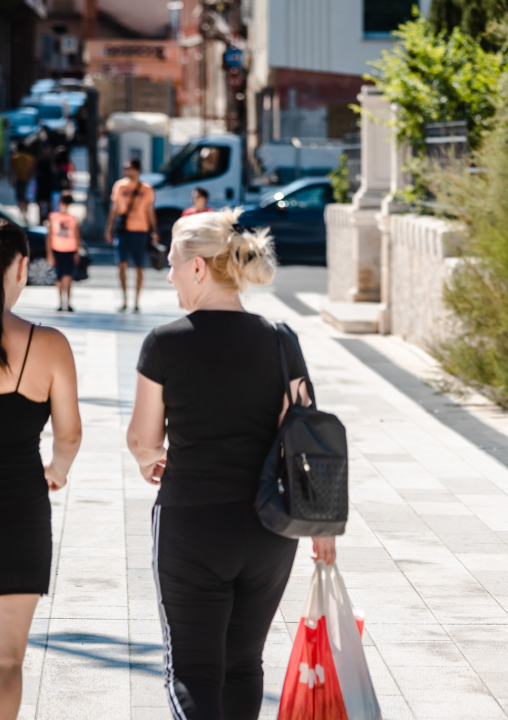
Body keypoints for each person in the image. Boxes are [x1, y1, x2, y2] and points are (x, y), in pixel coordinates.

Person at [127, 208, 334, 720]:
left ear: (198, 267)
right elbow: (306, 437)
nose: (169, 276)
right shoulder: (282, 340)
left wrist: (150, 459)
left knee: (192, 672)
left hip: (192, 523)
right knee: (244, 665)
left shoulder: (165, 343)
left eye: (173, 263)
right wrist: (322, 526)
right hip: (269, 529)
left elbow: (142, 439)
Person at [0, 220, 81, 720]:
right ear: (21, 268)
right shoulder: (47, 344)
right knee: (7, 660)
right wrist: (57, 470)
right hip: (20, 513)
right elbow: (69, 436)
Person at [105, 158, 158, 312]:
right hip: (123, 230)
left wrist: (155, 230)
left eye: (129, 168)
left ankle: (136, 302)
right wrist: (109, 228)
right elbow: (114, 208)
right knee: (121, 264)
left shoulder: (146, 188)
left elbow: (150, 210)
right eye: (125, 168)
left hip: (141, 230)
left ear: (137, 170)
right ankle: (124, 300)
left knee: (139, 267)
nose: (127, 171)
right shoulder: (119, 185)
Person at [46, 193, 81, 312]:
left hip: (70, 249)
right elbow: (49, 235)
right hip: (57, 249)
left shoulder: (72, 218)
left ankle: (68, 302)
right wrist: (49, 254)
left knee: (68, 277)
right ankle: (61, 302)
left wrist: (77, 250)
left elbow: (76, 234)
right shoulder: (53, 217)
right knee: (58, 278)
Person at [8, 144, 34, 223]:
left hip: (18, 179)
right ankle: (26, 214)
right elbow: (32, 170)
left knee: (19, 198)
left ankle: (21, 214)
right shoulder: (29, 157)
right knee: (25, 198)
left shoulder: (14, 157)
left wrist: (11, 180)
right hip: (27, 180)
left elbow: (11, 170)